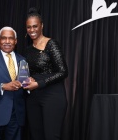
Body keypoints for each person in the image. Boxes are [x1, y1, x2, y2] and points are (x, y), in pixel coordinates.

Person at [23, 7, 68, 140]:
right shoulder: (27, 50)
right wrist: (26, 80)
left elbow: (63, 71)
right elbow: (26, 73)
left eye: (35, 26)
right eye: (28, 27)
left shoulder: (51, 44)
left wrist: (39, 83)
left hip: (52, 96)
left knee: (51, 137)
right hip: (33, 98)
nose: (32, 30)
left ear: (41, 26)